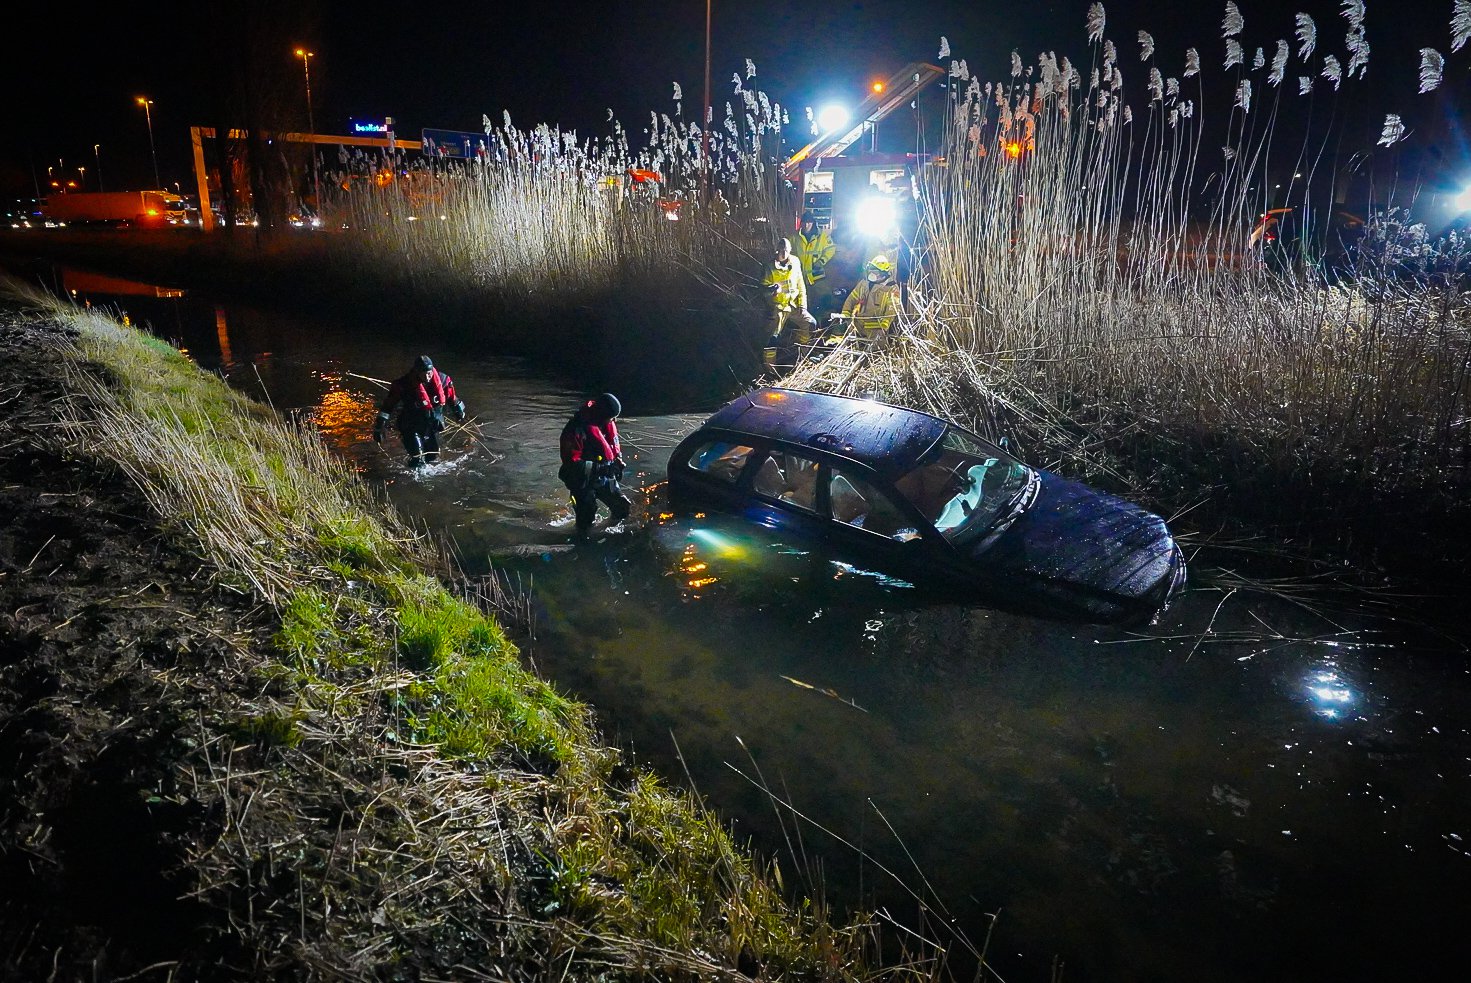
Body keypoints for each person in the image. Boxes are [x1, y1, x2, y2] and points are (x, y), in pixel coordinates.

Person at [559, 392, 632, 540]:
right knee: (585, 521)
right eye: (610, 418)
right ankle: (582, 545)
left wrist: (618, 460)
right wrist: (602, 469)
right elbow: (572, 465)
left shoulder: (605, 423)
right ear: (600, 415)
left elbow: (612, 445)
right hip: (582, 482)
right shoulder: (574, 430)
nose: (613, 421)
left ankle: (610, 536)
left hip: (604, 477)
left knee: (622, 507)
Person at [373, 355, 466, 467]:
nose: (427, 376)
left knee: (433, 458)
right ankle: (412, 479)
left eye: (429, 373)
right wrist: (379, 426)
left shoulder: (444, 380)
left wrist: (458, 411)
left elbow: (452, 398)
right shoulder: (403, 385)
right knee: (418, 459)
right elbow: (388, 406)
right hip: (411, 425)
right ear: (417, 372)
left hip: (431, 425)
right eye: (424, 373)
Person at [761, 238, 818, 373]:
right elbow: (763, 288)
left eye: (785, 251)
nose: (782, 254)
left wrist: (802, 306)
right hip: (778, 307)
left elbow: (801, 285)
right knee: (772, 337)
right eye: (780, 251)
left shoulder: (796, 262)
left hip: (793, 305)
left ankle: (803, 358)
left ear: (789, 251)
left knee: (810, 323)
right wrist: (771, 291)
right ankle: (770, 370)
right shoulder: (769, 266)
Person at [835, 254, 903, 342]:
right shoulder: (863, 284)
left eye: (875, 273)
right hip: (857, 327)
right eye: (871, 271)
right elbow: (851, 299)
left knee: (874, 352)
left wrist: (883, 327)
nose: (872, 275)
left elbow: (892, 309)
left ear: (883, 274)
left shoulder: (892, 289)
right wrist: (845, 314)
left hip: (875, 331)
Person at [792, 210, 836, 290]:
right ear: (801, 223)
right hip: (800, 278)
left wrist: (822, 261)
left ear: (813, 223)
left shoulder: (822, 236)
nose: (806, 225)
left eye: (809, 223)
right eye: (804, 223)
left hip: (817, 278)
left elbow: (831, 249)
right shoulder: (794, 238)